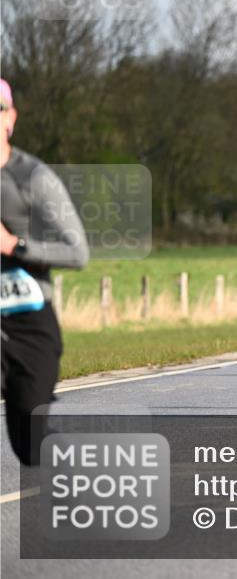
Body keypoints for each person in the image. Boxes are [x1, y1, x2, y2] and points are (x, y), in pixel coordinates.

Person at [1, 78, 89, 465]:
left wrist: (15, 246)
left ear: (11, 118)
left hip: (29, 323)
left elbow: (77, 251)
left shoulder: (33, 177)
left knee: (31, 447)